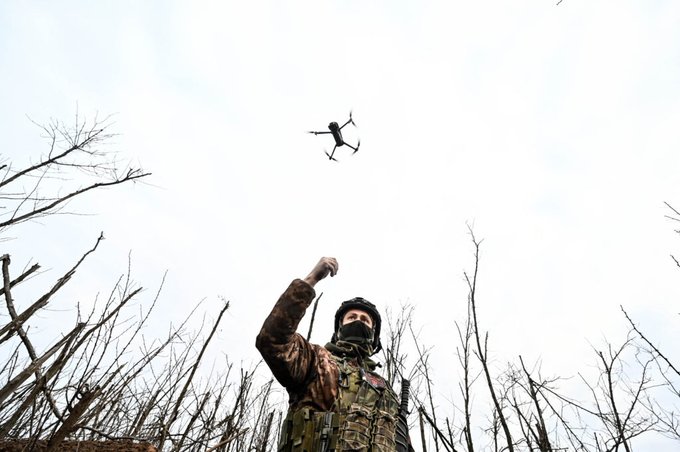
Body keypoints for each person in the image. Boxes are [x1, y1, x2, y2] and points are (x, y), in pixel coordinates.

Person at [256, 257, 414, 451]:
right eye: (352, 317)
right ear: (339, 329)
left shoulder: (385, 390)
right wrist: (310, 281)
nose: (359, 321)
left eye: (365, 319)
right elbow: (273, 340)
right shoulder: (316, 360)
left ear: (374, 335)